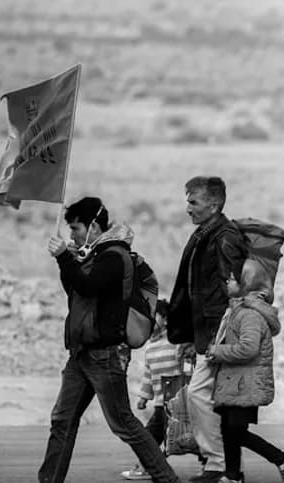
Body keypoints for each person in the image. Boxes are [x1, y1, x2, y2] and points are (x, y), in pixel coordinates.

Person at [38, 197, 180, 483]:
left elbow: (89, 286)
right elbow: (74, 291)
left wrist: (65, 257)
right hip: (82, 353)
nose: (73, 235)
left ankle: (167, 479)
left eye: (76, 228)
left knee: (123, 424)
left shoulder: (115, 256)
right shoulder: (91, 255)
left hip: (106, 354)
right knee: (62, 421)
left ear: (93, 226)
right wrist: (69, 260)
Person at [167, 176, 248, 482]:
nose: (187, 208)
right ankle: (218, 464)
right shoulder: (204, 234)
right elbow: (193, 291)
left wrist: (219, 339)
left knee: (200, 395)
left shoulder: (224, 238)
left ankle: (218, 464)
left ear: (213, 205)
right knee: (208, 398)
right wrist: (190, 335)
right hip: (206, 334)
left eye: (193, 202)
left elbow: (233, 291)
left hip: (219, 334)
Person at [206, 259, 284, 483]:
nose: (228, 281)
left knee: (235, 431)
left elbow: (249, 348)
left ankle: (281, 458)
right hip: (236, 381)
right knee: (229, 431)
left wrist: (218, 351)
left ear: (247, 282)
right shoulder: (239, 310)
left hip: (245, 382)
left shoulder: (249, 315)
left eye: (234, 278)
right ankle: (233, 475)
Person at [122, 299, 190, 481]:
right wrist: (144, 397)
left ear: (166, 320)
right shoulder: (150, 347)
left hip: (179, 402)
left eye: (154, 317)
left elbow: (187, 368)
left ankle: (212, 465)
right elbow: (148, 376)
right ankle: (146, 466)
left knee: (187, 438)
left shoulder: (176, 342)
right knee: (150, 437)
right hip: (161, 404)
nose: (149, 321)